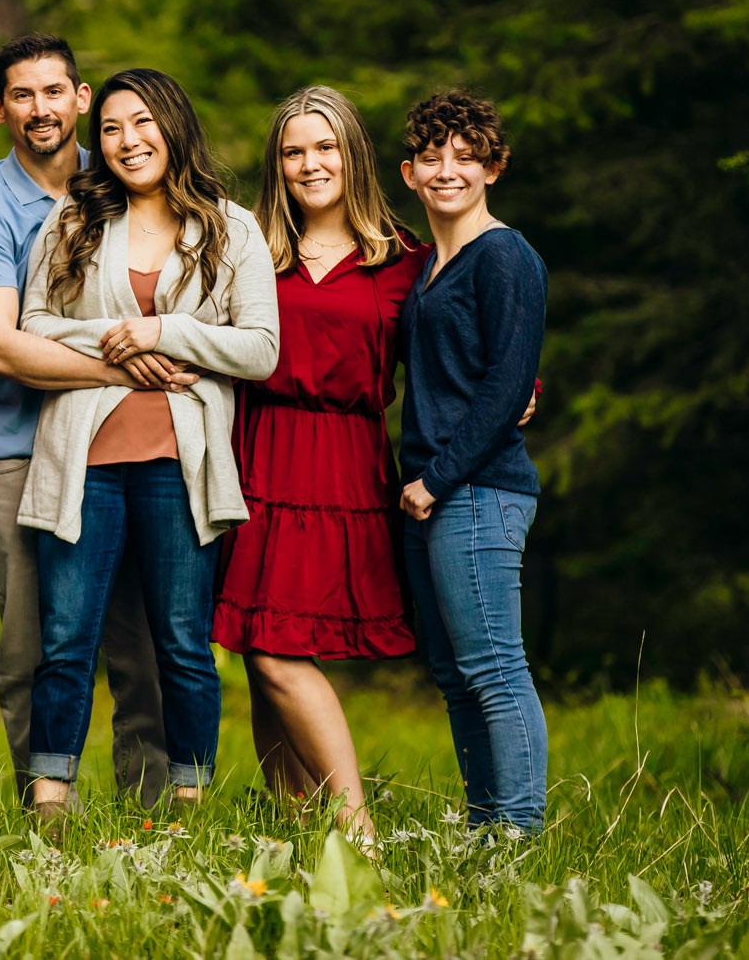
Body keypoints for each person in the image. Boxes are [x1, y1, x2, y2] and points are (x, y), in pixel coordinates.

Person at [213, 87, 537, 848]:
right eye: (293, 150)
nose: (309, 163)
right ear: (278, 164)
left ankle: (355, 827)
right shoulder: (250, 248)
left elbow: (472, 340)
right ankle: (301, 828)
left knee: (279, 649)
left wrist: (527, 387)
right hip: (255, 453)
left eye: (324, 147)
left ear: (353, 156)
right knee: (258, 650)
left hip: (341, 463)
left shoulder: (402, 258)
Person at [15, 69, 279, 825]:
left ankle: (190, 803)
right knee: (66, 639)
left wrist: (163, 330)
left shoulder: (231, 227)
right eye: (110, 129)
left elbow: (260, 348)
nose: (127, 141)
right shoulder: (74, 217)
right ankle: (50, 803)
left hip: (180, 465)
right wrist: (118, 347)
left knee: (184, 645)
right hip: (84, 464)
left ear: (172, 125)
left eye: (141, 123)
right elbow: (32, 325)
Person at [0, 33, 183, 806]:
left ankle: (150, 822)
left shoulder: (128, 175)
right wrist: (124, 366)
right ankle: (47, 818)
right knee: (29, 652)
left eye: (55, 91)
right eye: (22, 94)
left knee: (140, 646)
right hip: (19, 453)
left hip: (124, 449)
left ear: (83, 98)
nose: (41, 108)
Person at [396, 89, 548, 833]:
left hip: (479, 490)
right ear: (410, 173)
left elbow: (507, 384)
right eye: (433, 157)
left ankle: (519, 832)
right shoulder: (425, 265)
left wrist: (433, 480)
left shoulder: (505, 254)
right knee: (457, 679)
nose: (448, 170)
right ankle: (483, 825)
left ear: (494, 167)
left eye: (465, 156)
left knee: (494, 669)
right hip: (433, 493)